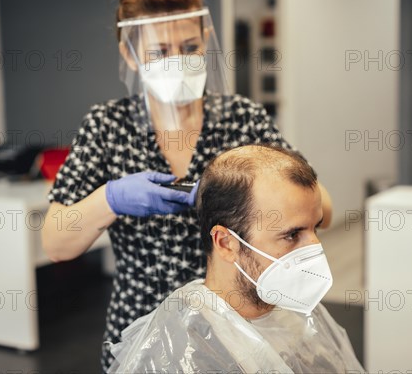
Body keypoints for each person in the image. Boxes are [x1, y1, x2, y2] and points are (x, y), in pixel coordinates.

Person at [40, 0, 333, 371]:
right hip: (142, 334)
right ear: (129, 54)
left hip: (238, 334)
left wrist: (256, 198)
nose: (177, 62)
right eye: (160, 52)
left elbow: (323, 209)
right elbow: (56, 244)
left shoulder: (241, 119)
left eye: (190, 46)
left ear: (206, 40)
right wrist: (110, 198)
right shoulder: (107, 126)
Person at [106, 145, 364, 373]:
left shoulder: (299, 311)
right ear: (226, 243)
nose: (315, 248)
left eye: (315, 228)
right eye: (292, 234)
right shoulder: (178, 350)